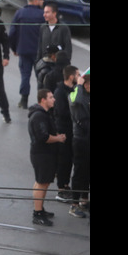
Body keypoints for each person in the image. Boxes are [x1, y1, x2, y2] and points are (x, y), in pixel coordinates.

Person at [28, 89, 64, 226]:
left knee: (43, 182)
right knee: (41, 183)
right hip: (42, 154)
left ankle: (40, 209)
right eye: (50, 97)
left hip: (44, 153)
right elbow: (43, 137)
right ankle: (37, 214)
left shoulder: (43, 114)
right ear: (43, 100)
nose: (54, 99)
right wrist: (58, 138)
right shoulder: (39, 116)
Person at [9, 0, 45, 109]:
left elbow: (12, 33)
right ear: (36, 0)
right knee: (41, 76)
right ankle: (42, 100)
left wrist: (14, 48)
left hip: (23, 51)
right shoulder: (42, 15)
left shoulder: (20, 13)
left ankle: (24, 100)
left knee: (25, 75)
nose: (43, 1)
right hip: (39, 52)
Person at [52, 64, 79, 204]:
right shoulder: (60, 92)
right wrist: (76, 111)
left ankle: (67, 186)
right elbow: (62, 112)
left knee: (71, 160)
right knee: (64, 160)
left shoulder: (74, 89)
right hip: (64, 130)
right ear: (71, 76)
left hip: (73, 130)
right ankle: (62, 188)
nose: (79, 77)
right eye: (77, 75)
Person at [68, 72, 90, 218]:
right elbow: (75, 101)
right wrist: (79, 86)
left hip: (88, 138)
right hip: (80, 139)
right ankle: (74, 204)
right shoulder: (75, 94)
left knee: (87, 171)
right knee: (79, 172)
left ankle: (84, 199)